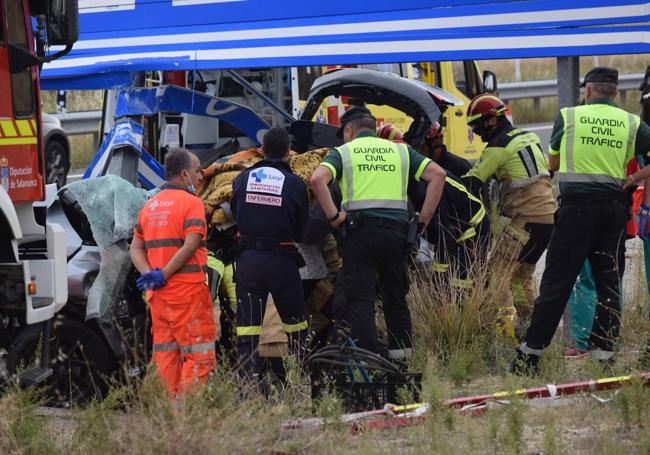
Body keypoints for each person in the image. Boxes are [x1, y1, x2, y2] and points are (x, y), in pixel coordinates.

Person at [513, 67, 650, 374]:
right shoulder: (632, 122)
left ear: (587, 90)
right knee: (608, 281)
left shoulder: (569, 116)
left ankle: (531, 355)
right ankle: (605, 355)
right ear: (615, 92)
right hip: (614, 211)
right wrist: (632, 178)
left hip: (576, 210)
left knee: (556, 281)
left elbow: (554, 161)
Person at [311, 106, 447, 360]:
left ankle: (369, 364)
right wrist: (423, 218)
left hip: (359, 235)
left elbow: (318, 179)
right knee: (396, 299)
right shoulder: (400, 150)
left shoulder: (344, 152)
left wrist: (333, 217)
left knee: (361, 301)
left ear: (350, 131)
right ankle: (402, 363)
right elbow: (438, 175)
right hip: (397, 234)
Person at [462, 94, 556, 341]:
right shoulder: (528, 136)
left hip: (525, 219)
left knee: (496, 275)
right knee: (520, 279)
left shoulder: (497, 148)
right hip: (547, 220)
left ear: (491, 121)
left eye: (477, 126)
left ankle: (505, 335)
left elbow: (471, 182)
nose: (477, 132)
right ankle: (535, 333)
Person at [130, 148, 216, 400]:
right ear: (183, 173)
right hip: (187, 294)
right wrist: (163, 274)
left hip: (159, 298)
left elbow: (135, 247)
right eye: (197, 169)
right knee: (198, 356)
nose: (200, 175)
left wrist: (150, 275)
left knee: (166, 357)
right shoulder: (192, 204)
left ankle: (169, 415)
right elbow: (190, 245)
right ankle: (186, 416)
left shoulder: (151, 206)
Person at [231, 127, 309, 383]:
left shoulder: (242, 179)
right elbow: (300, 232)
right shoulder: (296, 184)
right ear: (289, 152)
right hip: (282, 262)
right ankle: (301, 380)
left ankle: (247, 386)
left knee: (248, 328)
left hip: (249, 263)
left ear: (262, 151)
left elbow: (235, 214)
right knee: (296, 325)